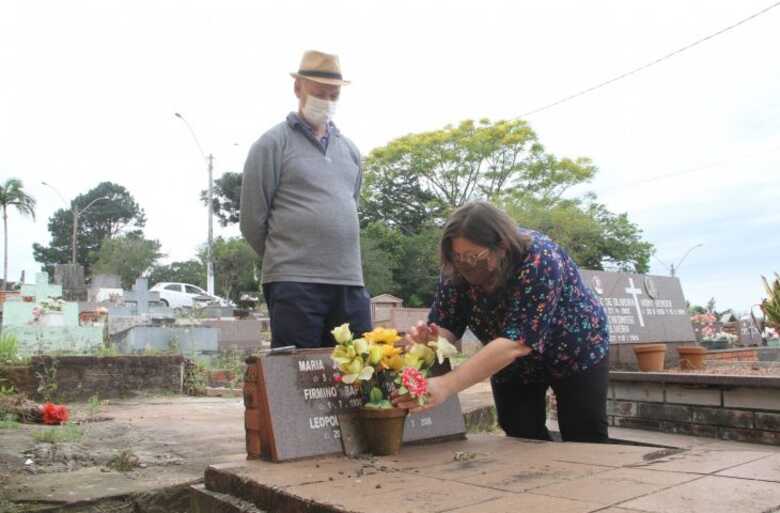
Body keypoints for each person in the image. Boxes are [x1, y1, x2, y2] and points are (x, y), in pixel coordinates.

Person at [394, 201, 610, 443]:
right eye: (458, 256)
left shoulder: (539, 258)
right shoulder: (456, 268)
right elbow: (447, 323)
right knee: (521, 435)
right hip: (510, 363)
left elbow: (517, 341)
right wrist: (431, 340)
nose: (466, 264)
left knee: (584, 436)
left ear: (502, 246)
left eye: (474, 256)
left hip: (574, 352)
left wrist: (446, 385)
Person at [240, 50, 371, 348]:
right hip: (294, 283)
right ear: (298, 87)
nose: (325, 100)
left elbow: (350, 205)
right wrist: (288, 257)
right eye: (318, 92)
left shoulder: (350, 151)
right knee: (298, 378)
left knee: (360, 374)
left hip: (349, 282)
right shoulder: (272, 144)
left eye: (333, 94)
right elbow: (251, 220)